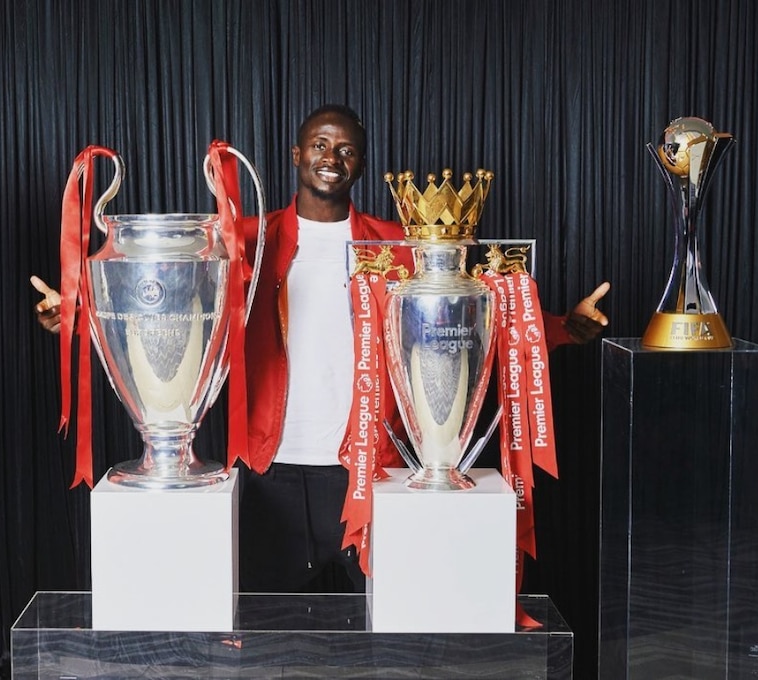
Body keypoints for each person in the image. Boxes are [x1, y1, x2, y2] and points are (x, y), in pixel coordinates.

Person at [33, 104, 610, 594]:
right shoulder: (245, 240)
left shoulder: (398, 243)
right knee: (262, 645)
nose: (332, 158)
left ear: (361, 163)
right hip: (269, 471)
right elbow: (174, 314)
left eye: (347, 150)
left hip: (369, 472)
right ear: (296, 154)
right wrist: (78, 320)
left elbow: (477, 314)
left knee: (389, 637)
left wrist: (562, 328)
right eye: (320, 144)